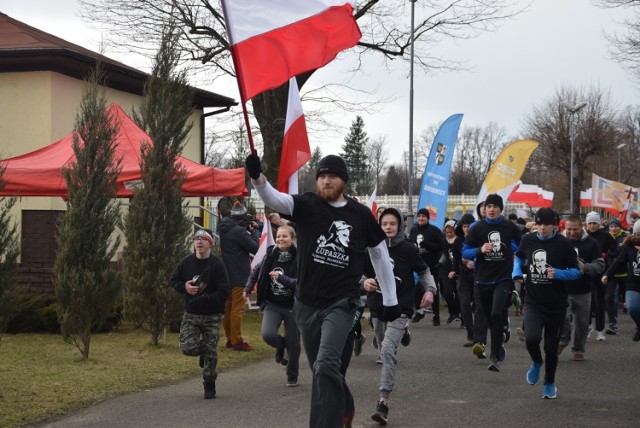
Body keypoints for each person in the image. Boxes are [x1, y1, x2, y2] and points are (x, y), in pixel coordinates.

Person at [245, 153, 400, 428]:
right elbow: (275, 199)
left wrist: (390, 300)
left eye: (332, 176)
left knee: (327, 364)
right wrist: (257, 178)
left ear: (343, 180)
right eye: (322, 176)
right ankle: (345, 406)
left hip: (341, 302)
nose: (326, 180)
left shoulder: (360, 214)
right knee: (321, 369)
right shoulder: (307, 205)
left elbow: (379, 255)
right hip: (305, 303)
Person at [362, 207, 436, 425]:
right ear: (379, 226)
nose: (388, 227)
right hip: (377, 307)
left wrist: (430, 290)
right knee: (380, 342)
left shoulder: (407, 248)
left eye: (392, 224)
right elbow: (359, 272)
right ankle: (403, 331)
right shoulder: (371, 249)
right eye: (384, 224)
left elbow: (424, 271)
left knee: (386, 350)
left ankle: (383, 401)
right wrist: (364, 282)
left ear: (400, 226)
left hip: (400, 308)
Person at [513, 208, 581, 399]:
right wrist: (516, 272)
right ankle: (536, 362)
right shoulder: (528, 239)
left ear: (555, 225)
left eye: (546, 225)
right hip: (534, 301)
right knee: (532, 338)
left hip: (556, 304)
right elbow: (518, 257)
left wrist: (559, 273)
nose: (542, 228)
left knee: (551, 350)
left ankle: (549, 383)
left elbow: (577, 271)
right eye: (539, 224)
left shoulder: (563, 243)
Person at [462, 194, 521, 371]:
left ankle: (495, 355)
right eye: (489, 206)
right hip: (482, 279)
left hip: (503, 278)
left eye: (496, 206)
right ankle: (500, 340)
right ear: (484, 209)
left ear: (501, 209)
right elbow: (465, 252)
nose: (492, 209)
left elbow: (522, 247)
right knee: (488, 316)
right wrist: (480, 249)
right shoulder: (477, 228)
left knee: (496, 313)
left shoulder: (510, 227)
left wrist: (512, 248)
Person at [170, 229, 230, 399]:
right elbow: (174, 280)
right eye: (197, 238)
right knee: (187, 348)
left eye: (204, 239)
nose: (199, 242)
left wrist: (207, 298)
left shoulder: (217, 264)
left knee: (211, 352)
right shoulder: (186, 262)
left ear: (210, 243)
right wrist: (185, 287)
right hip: (192, 313)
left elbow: (225, 291)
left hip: (212, 315)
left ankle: (209, 383)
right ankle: (202, 351)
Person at [243, 225, 300, 386]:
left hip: (293, 307)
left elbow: (301, 283)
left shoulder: (299, 257)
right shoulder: (270, 255)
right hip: (272, 304)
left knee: (293, 343)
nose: (280, 239)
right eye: (278, 236)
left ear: (292, 239)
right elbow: (256, 271)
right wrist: (248, 288)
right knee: (267, 335)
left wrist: (281, 279)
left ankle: (292, 375)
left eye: (284, 236)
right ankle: (281, 346)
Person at [558, 215, 604, 361]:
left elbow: (600, 265)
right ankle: (563, 340)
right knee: (562, 318)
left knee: (582, 323)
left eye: (575, 229)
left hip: (583, 289)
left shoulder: (592, 243)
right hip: (562, 289)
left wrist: (585, 267)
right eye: (569, 229)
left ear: (581, 227)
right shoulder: (558, 241)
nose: (572, 233)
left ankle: (578, 349)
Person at [219, 202, 260, 351]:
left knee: (229, 307)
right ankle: (236, 341)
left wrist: (243, 226)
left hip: (227, 273)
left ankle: (231, 339)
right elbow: (255, 247)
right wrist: (255, 232)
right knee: (238, 308)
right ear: (242, 219)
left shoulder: (224, 227)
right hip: (239, 273)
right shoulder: (238, 231)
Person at [602, 220, 640, 341]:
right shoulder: (629, 247)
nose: (638, 237)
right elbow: (618, 262)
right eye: (637, 234)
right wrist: (607, 274)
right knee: (632, 308)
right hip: (633, 283)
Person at [585, 211, 618, 341]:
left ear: (599, 224)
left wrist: (606, 255)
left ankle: (600, 330)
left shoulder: (606, 236)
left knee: (599, 302)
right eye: (590, 223)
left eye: (595, 223)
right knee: (586, 302)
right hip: (585, 272)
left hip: (600, 272)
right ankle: (588, 326)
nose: (592, 226)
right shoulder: (583, 236)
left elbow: (617, 251)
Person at [408, 207, 443, 326]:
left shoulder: (434, 230)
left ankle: (436, 316)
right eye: (419, 216)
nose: (421, 218)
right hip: (418, 265)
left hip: (432, 265)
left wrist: (427, 245)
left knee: (432, 289)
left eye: (423, 216)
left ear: (428, 218)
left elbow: (441, 245)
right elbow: (410, 242)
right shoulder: (413, 229)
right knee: (417, 290)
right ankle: (420, 311)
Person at [455, 214, 477, 347]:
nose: (467, 229)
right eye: (464, 226)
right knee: (464, 304)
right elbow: (455, 258)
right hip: (463, 276)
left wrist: (474, 262)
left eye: (469, 226)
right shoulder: (459, 241)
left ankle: (480, 333)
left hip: (477, 276)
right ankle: (470, 334)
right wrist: (458, 265)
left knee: (479, 306)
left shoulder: (478, 240)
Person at [606, 218, 629, 334]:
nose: (613, 228)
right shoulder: (606, 237)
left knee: (628, 300)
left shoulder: (626, 237)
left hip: (625, 273)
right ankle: (612, 323)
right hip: (611, 273)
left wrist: (610, 252)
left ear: (620, 227)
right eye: (611, 226)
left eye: (616, 226)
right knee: (610, 297)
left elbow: (621, 252)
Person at [440, 219, 461, 325]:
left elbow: (458, 258)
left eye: (451, 232)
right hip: (445, 269)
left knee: (459, 293)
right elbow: (443, 254)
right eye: (447, 232)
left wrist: (454, 270)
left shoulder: (459, 241)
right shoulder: (443, 241)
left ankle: (461, 316)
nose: (449, 234)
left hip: (457, 269)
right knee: (447, 292)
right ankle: (453, 313)